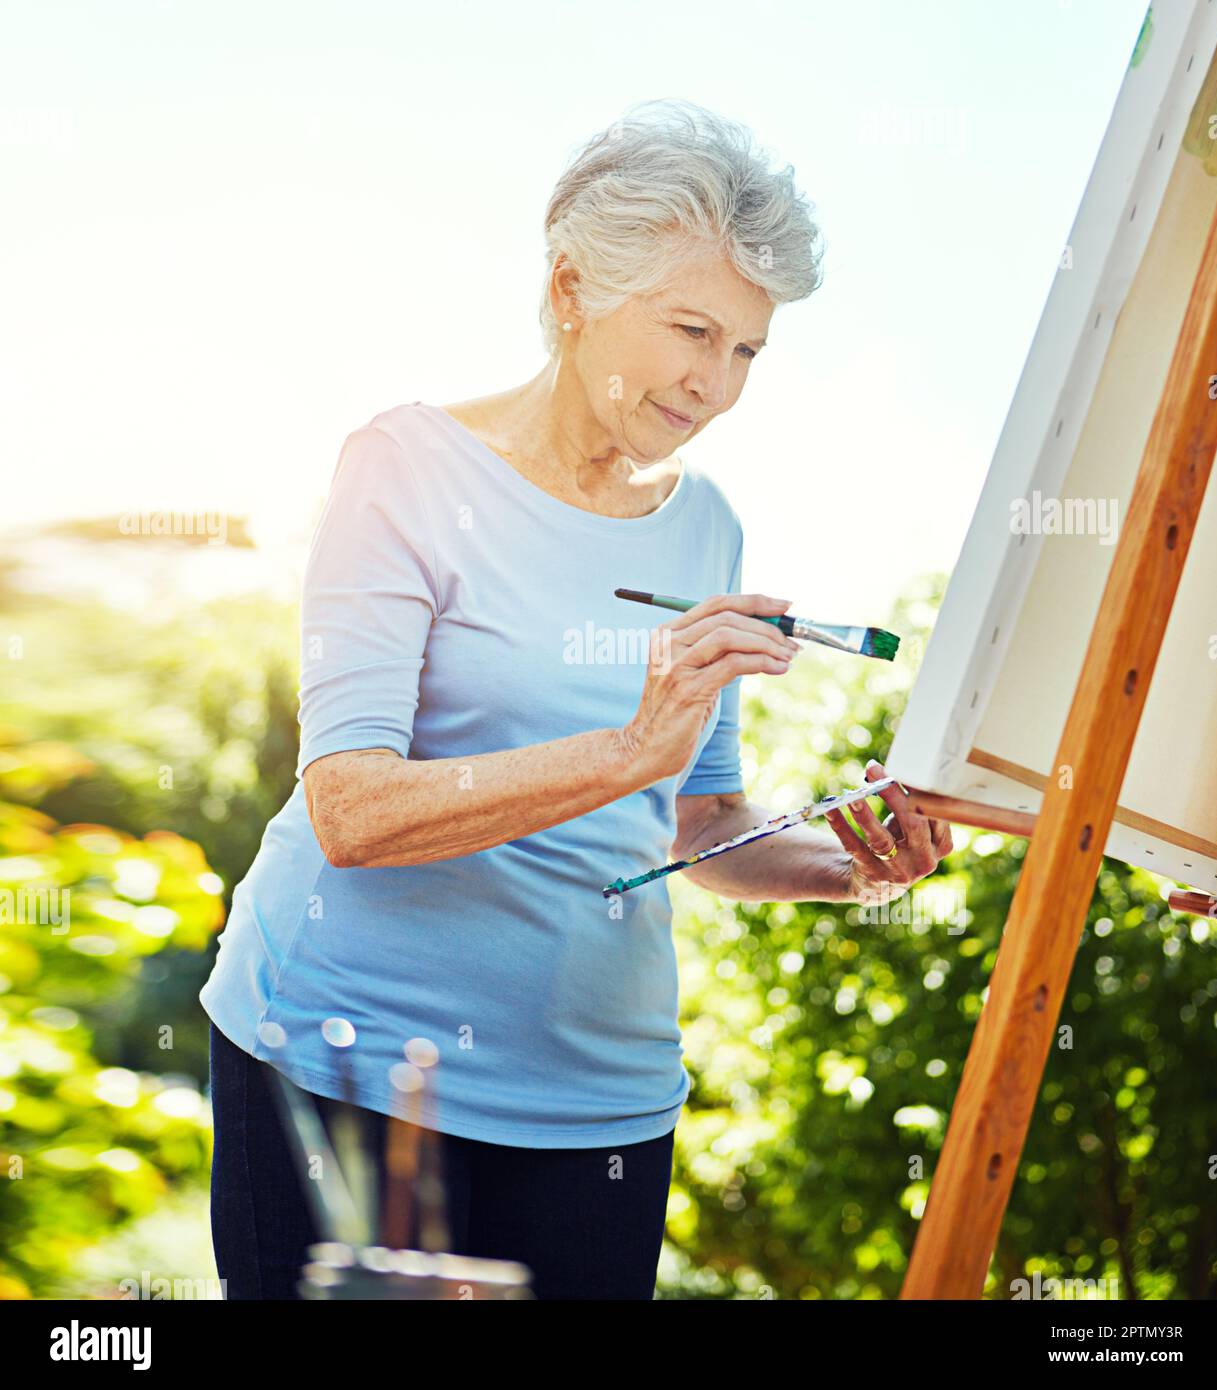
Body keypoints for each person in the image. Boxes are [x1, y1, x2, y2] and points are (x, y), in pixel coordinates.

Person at [200, 97, 953, 1301]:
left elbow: (696, 829)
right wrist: (628, 748)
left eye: (749, 349)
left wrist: (852, 867)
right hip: (350, 1070)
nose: (717, 382)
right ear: (569, 290)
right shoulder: (404, 467)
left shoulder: (707, 526)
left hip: (599, 1108)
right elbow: (351, 808)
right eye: (692, 330)